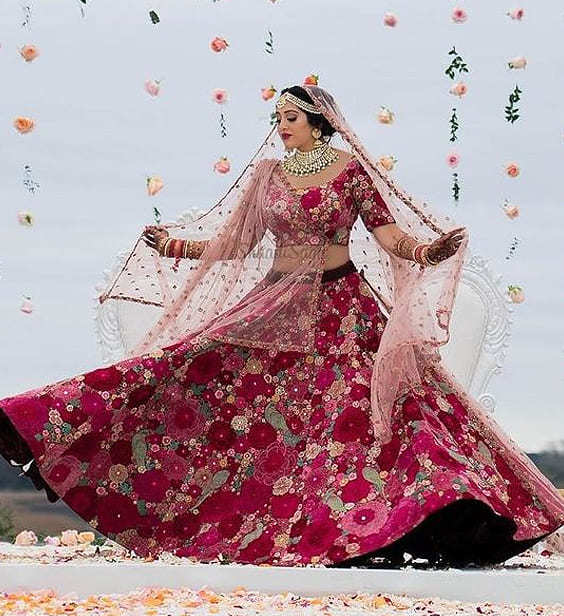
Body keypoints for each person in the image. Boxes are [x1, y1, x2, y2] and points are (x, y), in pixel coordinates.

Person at [0, 84, 562, 569]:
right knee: (188, 364)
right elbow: (240, 242)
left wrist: (425, 249)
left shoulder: (351, 172)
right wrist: (176, 246)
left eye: (290, 118)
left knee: (373, 414)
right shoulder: (268, 176)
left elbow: (388, 238)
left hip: (343, 308)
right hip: (274, 301)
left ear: (320, 123)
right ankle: (43, 423)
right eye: (278, 119)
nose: (281, 128)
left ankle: (398, 522)